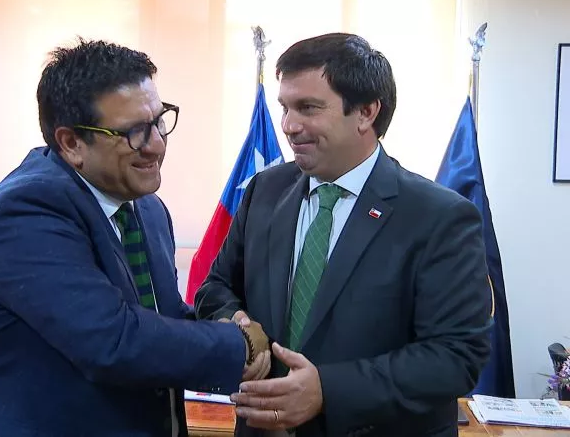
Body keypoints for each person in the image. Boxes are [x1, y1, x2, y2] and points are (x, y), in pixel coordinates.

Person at [195, 33, 492, 437]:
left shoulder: (440, 217)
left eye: (308, 108)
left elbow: (455, 357)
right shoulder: (264, 191)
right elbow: (215, 287)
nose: (289, 126)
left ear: (366, 112)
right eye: (284, 108)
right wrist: (237, 322)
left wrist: (327, 390)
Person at [0, 39, 270, 437]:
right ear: (71, 143)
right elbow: (114, 341)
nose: (156, 145)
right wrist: (237, 345)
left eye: (159, 121)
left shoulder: (145, 207)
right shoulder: (26, 211)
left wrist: (226, 322)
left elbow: (157, 317)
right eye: (134, 132)